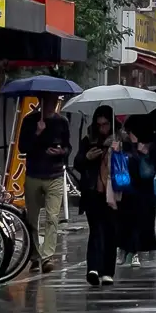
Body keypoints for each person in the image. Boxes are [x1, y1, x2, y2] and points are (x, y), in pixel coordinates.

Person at [19, 92, 70, 273]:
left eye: (55, 101)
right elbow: (22, 147)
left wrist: (61, 152)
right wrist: (37, 133)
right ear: (41, 102)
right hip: (34, 174)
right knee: (32, 219)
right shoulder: (29, 120)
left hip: (55, 175)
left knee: (52, 217)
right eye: (48, 101)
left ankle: (47, 257)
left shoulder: (62, 122)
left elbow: (68, 147)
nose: (51, 105)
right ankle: (35, 256)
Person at [74, 106, 119, 287]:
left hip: (114, 193)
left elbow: (131, 161)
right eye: (99, 124)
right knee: (96, 230)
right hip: (93, 192)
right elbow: (77, 162)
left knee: (111, 232)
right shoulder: (89, 139)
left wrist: (118, 151)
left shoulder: (119, 138)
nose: (102, 128)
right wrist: (87, 157)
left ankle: (108, 271)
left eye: (106, 124)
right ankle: (93, 268)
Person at [116, 115, 156, 268]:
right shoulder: (124, 132)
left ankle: (134, 251)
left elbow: (150, 166)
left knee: (140, 219)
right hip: (128, 183)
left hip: (143, 185)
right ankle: (126, 249)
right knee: (126, 218)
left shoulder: (150, 130)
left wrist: (143, 149)